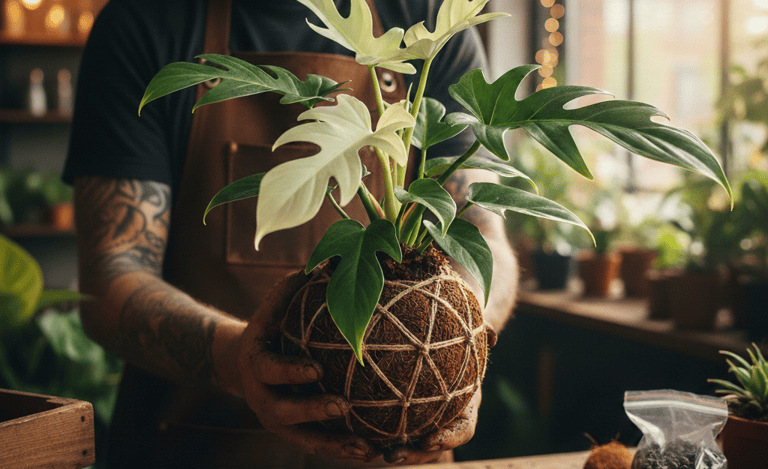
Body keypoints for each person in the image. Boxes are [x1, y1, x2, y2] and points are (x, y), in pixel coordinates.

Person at [63, 0, 519, 467]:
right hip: (197, 444)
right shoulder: (145, 22)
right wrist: (238, 359)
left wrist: (457, 348)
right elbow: (111, 275)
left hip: (394, 455)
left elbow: (482, 236)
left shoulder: (429, 20)